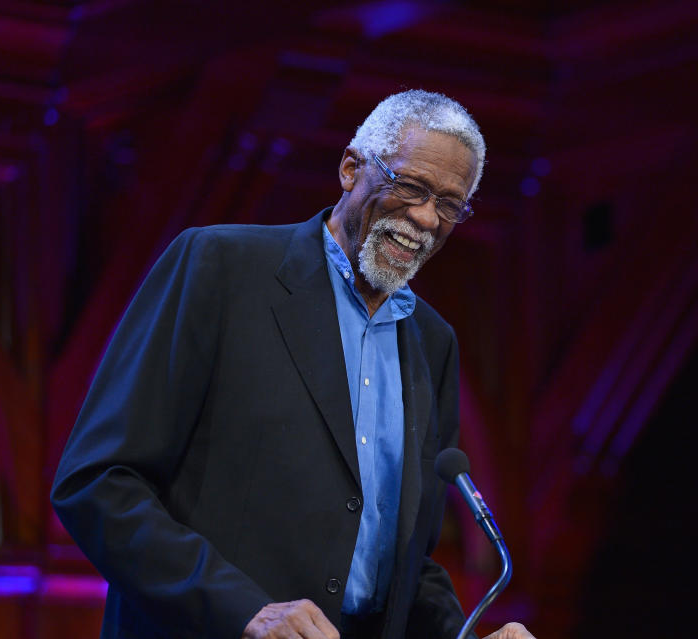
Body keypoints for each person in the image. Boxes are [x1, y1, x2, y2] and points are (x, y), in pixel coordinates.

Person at [51, 90, 535, 639]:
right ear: (351, 169)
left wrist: (464, 634)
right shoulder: (220, 268)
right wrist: (243, 611)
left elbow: (403, 565)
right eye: (410, 187)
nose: (425, 218)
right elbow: (98, 482)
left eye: (450, 205)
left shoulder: (431, 340)